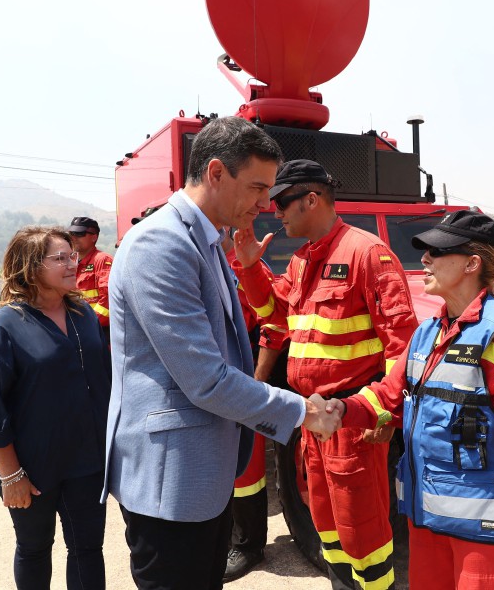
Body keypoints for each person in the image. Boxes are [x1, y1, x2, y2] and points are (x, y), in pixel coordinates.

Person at [102, 116, 341, 590]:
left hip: (204, 473)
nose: (264, 203)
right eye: (256, 187)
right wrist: (301, 412)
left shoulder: (207, 239)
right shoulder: (161, 245)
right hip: (171, 482)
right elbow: (206, 379)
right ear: (215, 172)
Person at [326, 210, 494, 590]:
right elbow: (387, 396)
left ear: (472, 264)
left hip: (484, 536)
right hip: (426, 525)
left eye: (437, 252)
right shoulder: (425, 335)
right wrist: (339, 410)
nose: (424, 259)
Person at [232, 159, 418, 590]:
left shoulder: (368, 253)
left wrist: (387, 417)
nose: (274, 211)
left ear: (311, 200)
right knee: (328, 530)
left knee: (364, 535)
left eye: (281, 201)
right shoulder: (300, 262)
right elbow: (275, 315)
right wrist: (250, 267)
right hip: (313, 422)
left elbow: (402, 348)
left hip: (352, 421)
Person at [0, 226, 112, 589]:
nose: (71, 264)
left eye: (72, 255)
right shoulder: (2, 329)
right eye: (59, 258)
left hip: (87, 463)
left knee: (87, 549)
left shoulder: (84, 317)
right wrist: (11, 474)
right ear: (30, 268)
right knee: (34, 550)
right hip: (30, 469)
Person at [220, 227, 287, 581]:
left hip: (242, 375)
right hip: (206, 377)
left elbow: (274, 324)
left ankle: (248, 546)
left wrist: (257, 380)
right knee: (219, 465)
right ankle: (224, 538)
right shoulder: (195, 262)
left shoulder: (243, 267)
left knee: (246, 469)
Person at [67, 216, 112, 342]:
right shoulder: (71, 262)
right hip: (78, 330)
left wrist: (90, 323)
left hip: (99, 332)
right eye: (71, 233)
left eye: (79, 233)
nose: (74, 238)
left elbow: (108, 300)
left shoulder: (102, 260)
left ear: (94, 237)